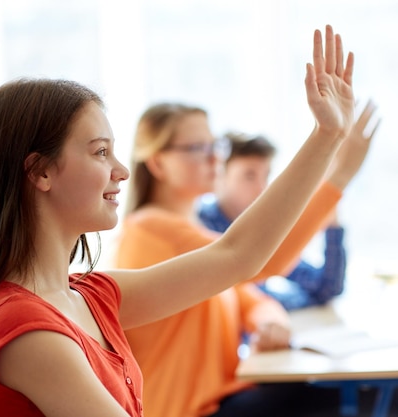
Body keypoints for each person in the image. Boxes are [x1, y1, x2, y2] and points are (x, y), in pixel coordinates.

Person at [0, 25, 361, 417]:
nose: (121, 171)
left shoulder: (89, 297)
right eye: (99, 152)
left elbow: (238, 256)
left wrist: (326, 136)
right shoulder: (22, 326)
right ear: (40, 172)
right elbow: (243, 257)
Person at [114, 64, 376, 417]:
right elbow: (258, 262)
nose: (214, 157)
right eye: (196, 147)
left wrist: (270, 319)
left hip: (222, 398)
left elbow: (247, 296)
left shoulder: (190, 232)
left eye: (214, 145)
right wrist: (338, 176)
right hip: (188, 410)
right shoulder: (151, 228)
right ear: (158, 163)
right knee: (365, 395)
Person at [199, 111, 380, 310]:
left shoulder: (261, 228)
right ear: (220, 176)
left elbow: (327, 287)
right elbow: (249, 297)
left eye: (266, 175)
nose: (262, 188)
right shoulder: (201, 225)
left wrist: (330, 207)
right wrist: (336, 178)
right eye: (249, 176)